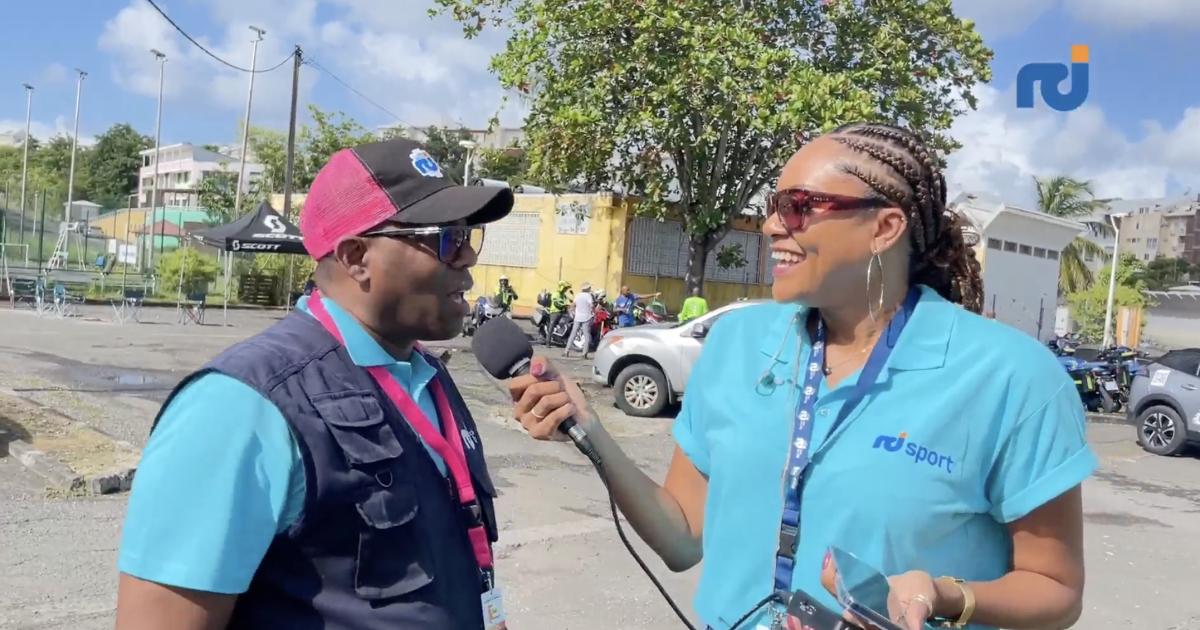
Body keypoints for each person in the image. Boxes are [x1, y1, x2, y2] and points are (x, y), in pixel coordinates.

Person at [508, 123, 1094, 630]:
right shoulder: (738, 344)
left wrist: (945, 595)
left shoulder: (1010, 377)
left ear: (884, 228)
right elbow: (682, 535)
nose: (770, 226)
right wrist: (589, 429)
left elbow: (1056, 589)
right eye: (772, 204)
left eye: (798, 205)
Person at [115, 138, 516, 630]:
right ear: (355, 257)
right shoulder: (239, 404)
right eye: (446, 239)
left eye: (468, 235)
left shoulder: (429, 378)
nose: (468, 258)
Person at [564, 281, 595, 359]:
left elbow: (573, 305)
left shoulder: (577, 295)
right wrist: (594, 311)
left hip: (577, 317)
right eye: (589, 287)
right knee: (587, 335)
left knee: (573, 334)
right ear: (587, 288)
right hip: (586, 317)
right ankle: (584, 353)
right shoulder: (589, 296)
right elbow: (591, 306)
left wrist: (571, 311)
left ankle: (566, 351)